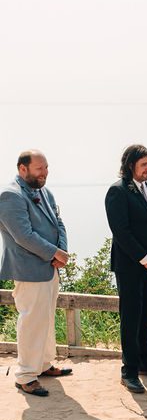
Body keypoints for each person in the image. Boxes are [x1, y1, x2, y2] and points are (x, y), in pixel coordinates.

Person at [103, 144, 147, 394]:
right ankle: (129, 371)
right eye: (144, 164)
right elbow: (121, 232)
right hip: (130, 266)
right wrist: (145, 259)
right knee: (131, 318)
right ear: (130, 165)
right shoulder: (117, 191)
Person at [0, 151, 71, 397]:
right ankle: (25, 376)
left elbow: (58, 223)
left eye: (46, 168)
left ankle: (43, 364)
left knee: (47, 319)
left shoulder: (44, 191)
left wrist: (61, 251)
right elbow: (23, 236)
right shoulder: (10, 195)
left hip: (50, 268)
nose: (45, 173)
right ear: (22, 169)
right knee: (31, 322)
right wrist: (54, 253)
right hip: (28, 270)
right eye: (39, 169)